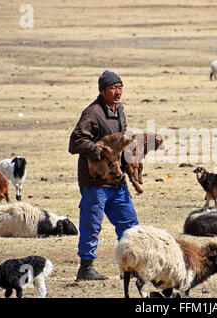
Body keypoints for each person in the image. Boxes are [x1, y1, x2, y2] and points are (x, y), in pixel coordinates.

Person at [68, 70, 139, 281]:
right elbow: (75, 142)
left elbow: (121, 141)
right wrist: (100, 152)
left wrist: (129, 163)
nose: (117, 92)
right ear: (102, 91)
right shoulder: (93, 113)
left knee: (130, 226)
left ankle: (130, 267)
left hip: (116, 182)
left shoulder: (119, 111)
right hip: (95, 183)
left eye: (120, 87)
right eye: (112, 88)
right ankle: (86, 268)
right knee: (92, 224)